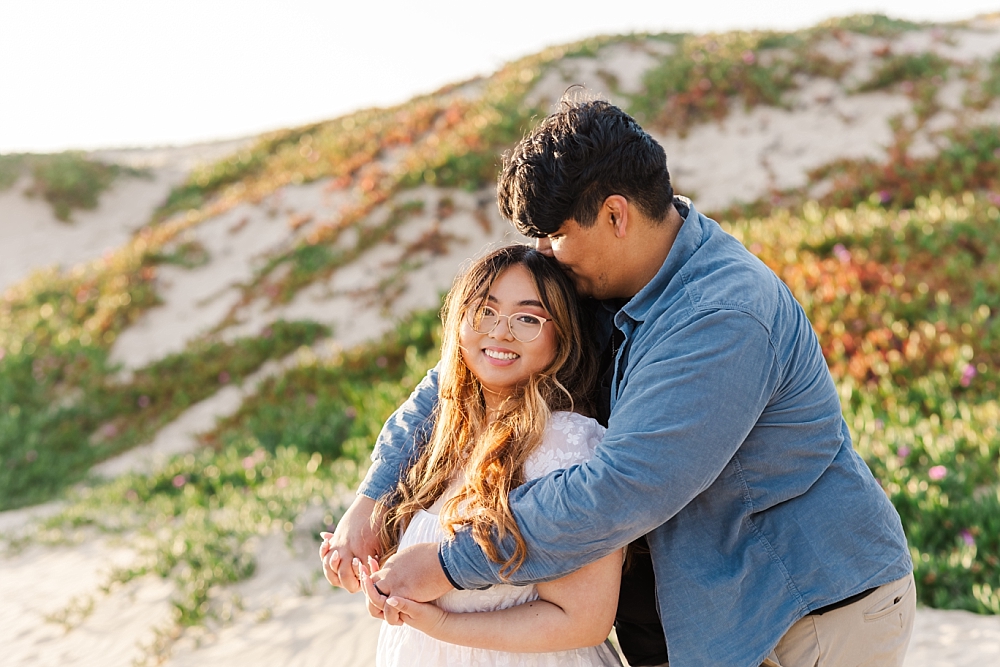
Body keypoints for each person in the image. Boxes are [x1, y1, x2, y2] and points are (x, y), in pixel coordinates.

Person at [324, 98, 916, 667]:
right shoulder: (605, 275)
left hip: (807, 610)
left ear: (614, 215)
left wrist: (453, 563)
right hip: (698, 618)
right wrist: (370, 502)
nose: (544, 253)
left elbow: (620, 489)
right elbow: (452, 381)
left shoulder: (720, 316)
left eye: (554, 233)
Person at [321, 244, 625, 666]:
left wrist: (440, 625)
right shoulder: (441, 437)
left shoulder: (566, 444)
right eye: (485, 310)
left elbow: (584, 619)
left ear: (561, 337)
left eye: (527, 318)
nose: (501, 331)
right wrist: (375, 581)